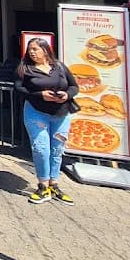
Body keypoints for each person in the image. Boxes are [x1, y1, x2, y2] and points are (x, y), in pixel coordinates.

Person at [13, 38, 79, 205]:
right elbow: (18, 88)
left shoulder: (59, 67)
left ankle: (54, 184)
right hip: (36, 113)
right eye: (30, 49)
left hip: (61, 113)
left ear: (45, 50)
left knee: (57, 149)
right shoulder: (24, 69)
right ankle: (43, 185)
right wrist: (40, 95)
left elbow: (74, 87)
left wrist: (67, 95)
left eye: (35, 49)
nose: (32, 52)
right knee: (41, 149)